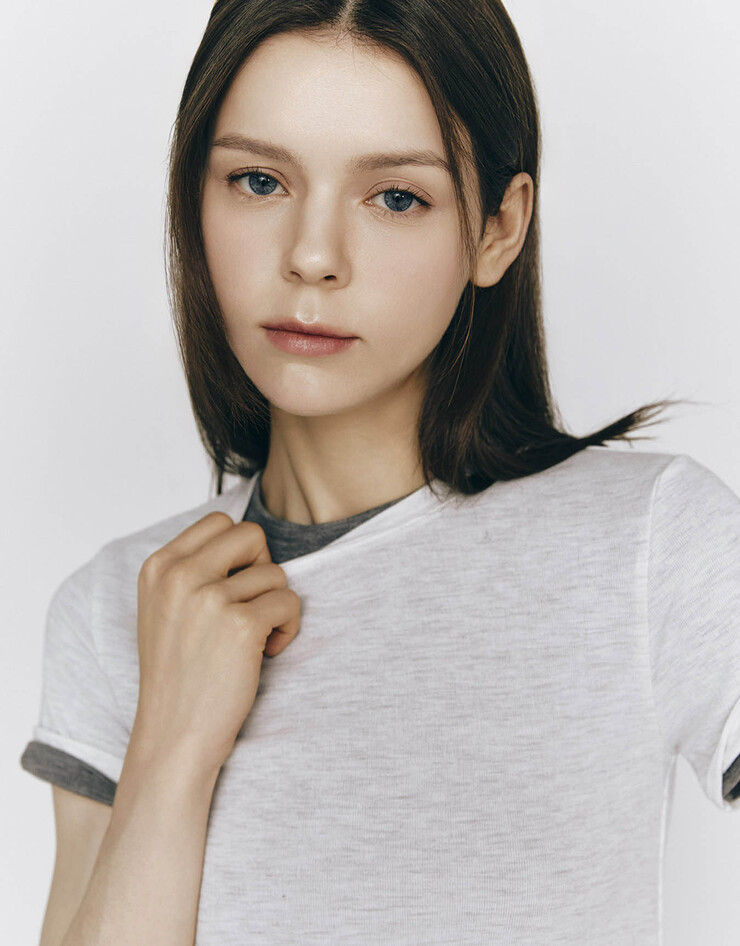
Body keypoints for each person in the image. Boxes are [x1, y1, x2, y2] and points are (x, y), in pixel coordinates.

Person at [20, 1, 740, 943]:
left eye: (396, 197)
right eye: (258, 180)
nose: (312, 257)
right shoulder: (119, 605)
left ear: (498, 228)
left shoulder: (650, 546)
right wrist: (171, 748)